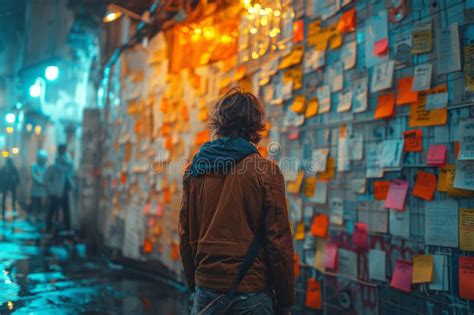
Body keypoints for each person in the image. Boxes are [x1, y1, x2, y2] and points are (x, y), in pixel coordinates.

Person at [179, 87, 295, 315]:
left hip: (206, 292)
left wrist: (196, 283)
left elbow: (185, 234)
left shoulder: (194, 169)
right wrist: (285, 301)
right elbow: (278, 242)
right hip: (251, 291)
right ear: (254, 125)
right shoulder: (265, 171)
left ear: (219, 124)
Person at [44, 144, 74, 233]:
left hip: (65, 191)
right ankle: (49, 228)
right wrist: (52, 191)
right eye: (62, 150)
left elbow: (69, 171)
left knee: (65, 210)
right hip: (56, 192)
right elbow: (46, 180)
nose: (64, 151)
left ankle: (67, 228)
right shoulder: (55, 165)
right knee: (52, 210)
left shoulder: (67, 161)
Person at [30, 150, 48, 222]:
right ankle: (33, 215)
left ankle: (40, 215)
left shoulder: (45, 167)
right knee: (35, 202)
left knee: (41, 203)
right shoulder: (34, 166)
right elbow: (34, 175)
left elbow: (47, 175)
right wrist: (41, 181)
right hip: (36, 188)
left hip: (43, 189)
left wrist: (45, 182)